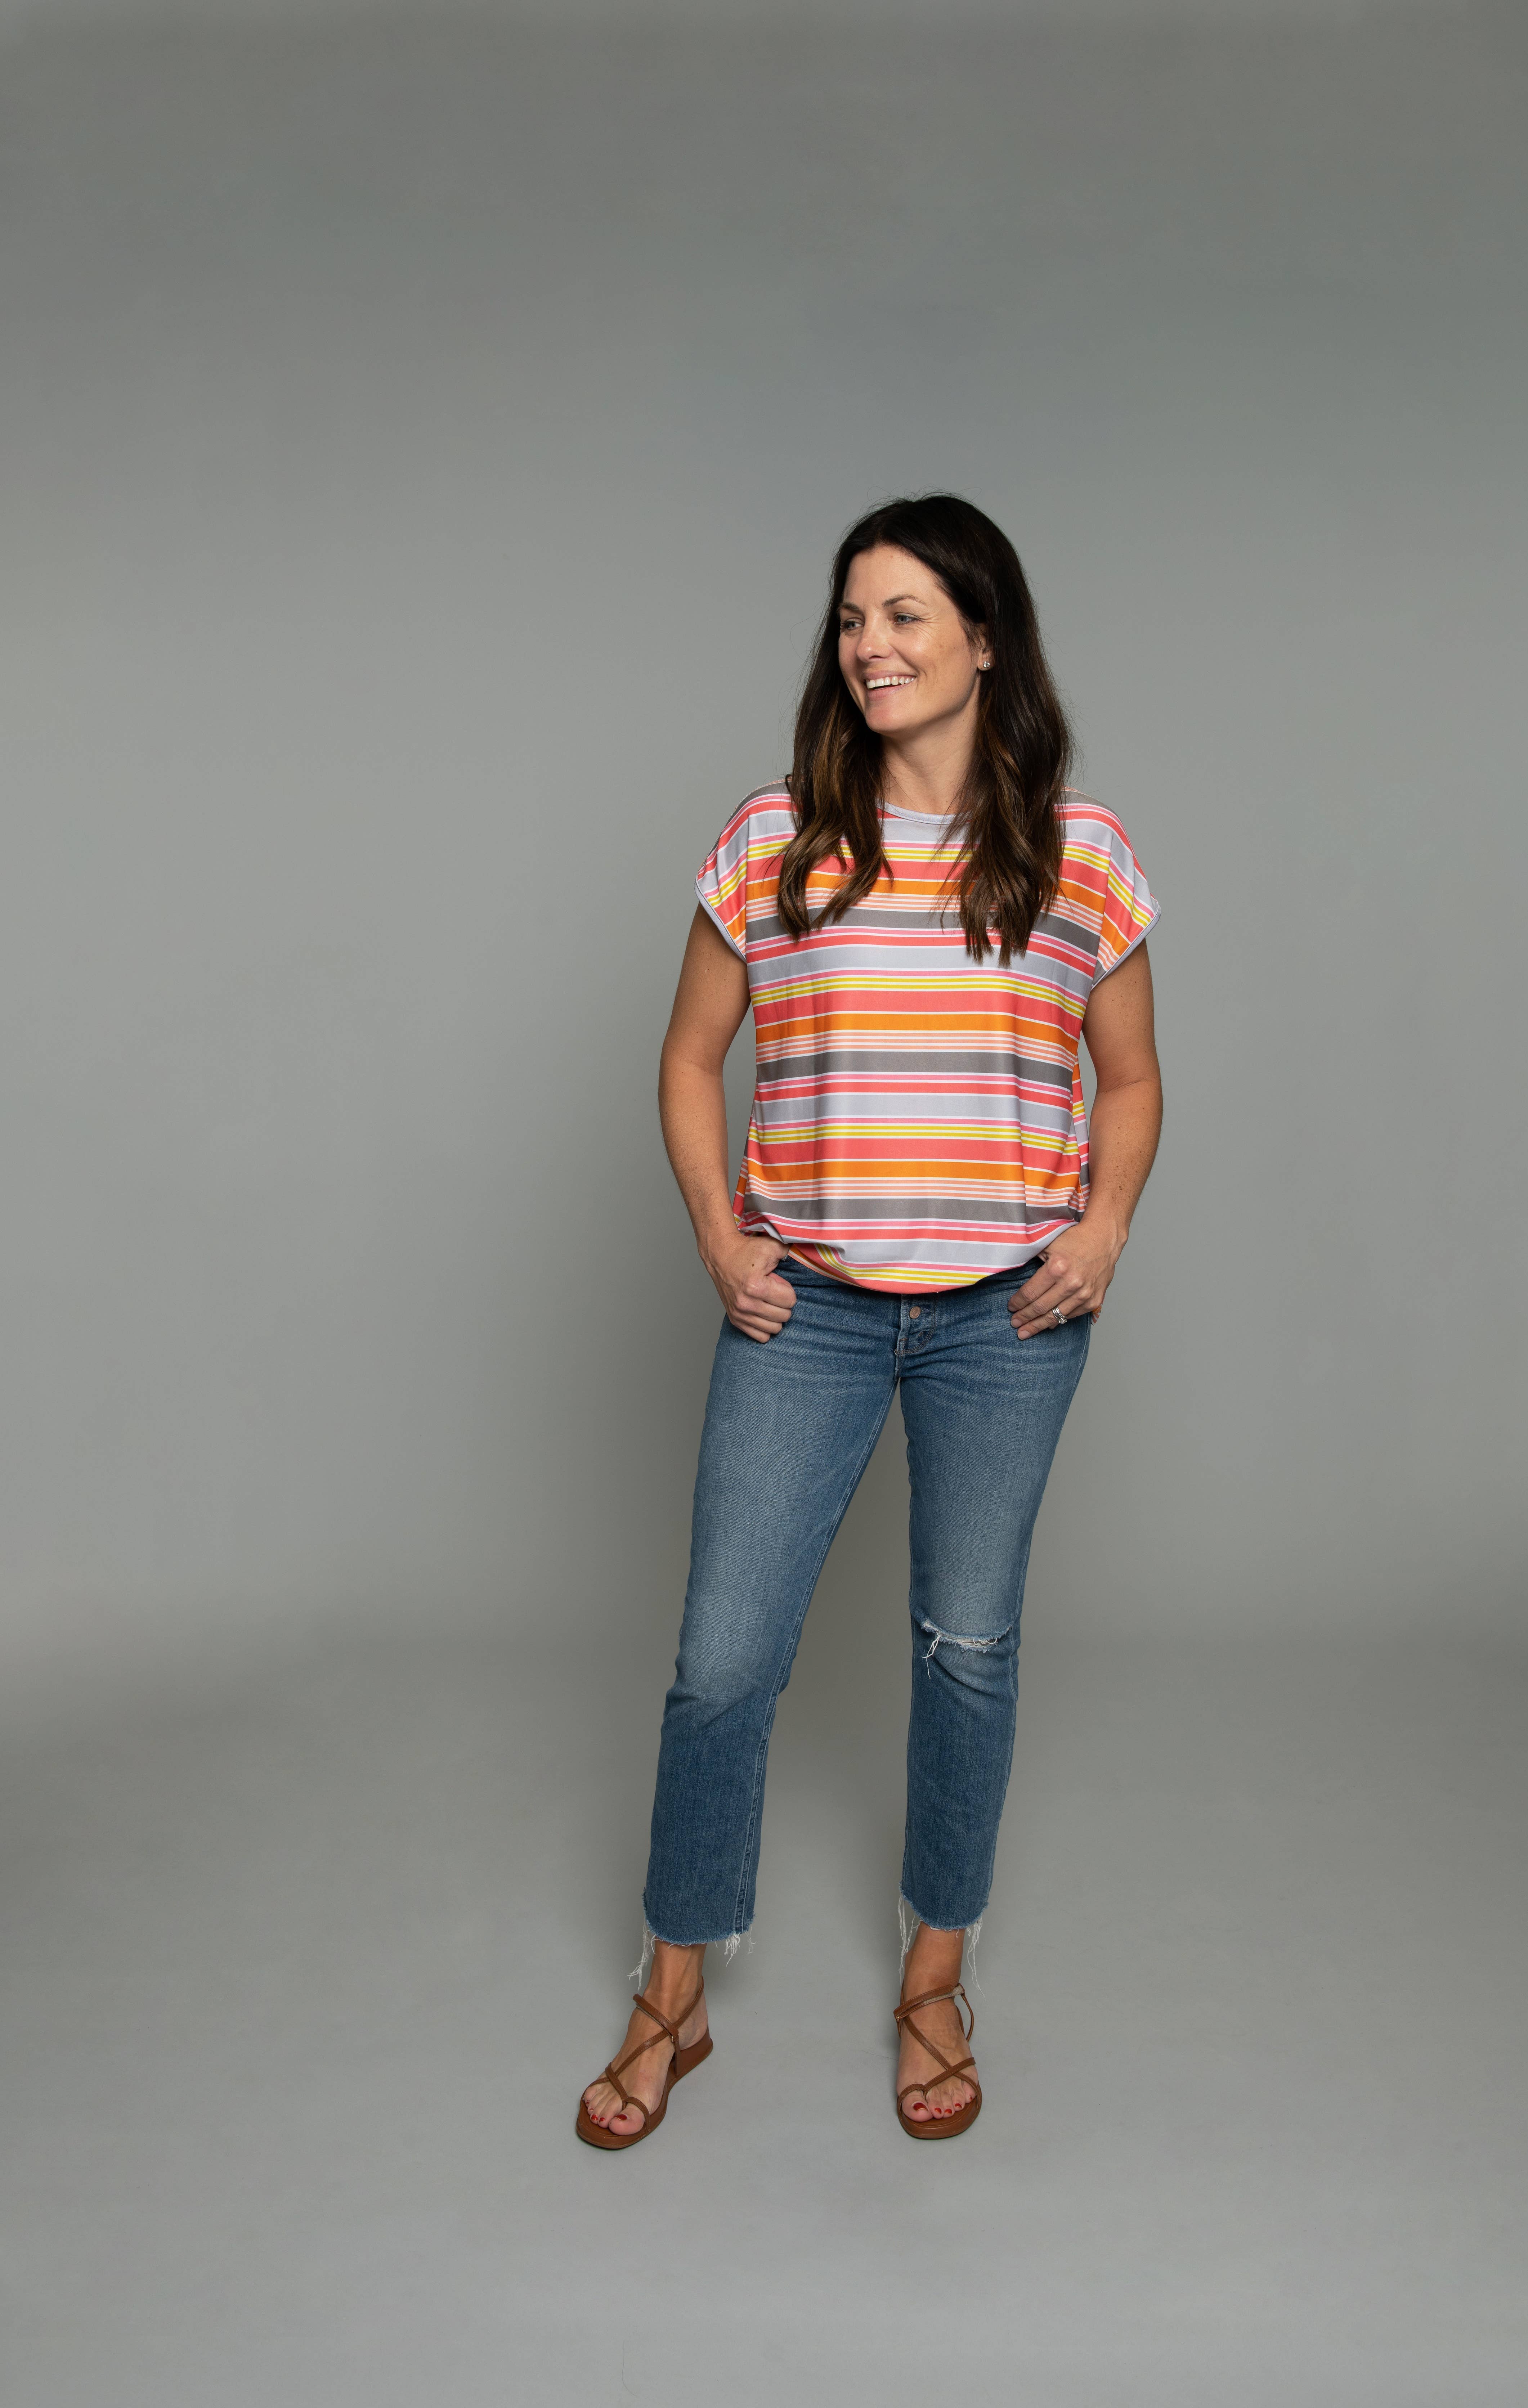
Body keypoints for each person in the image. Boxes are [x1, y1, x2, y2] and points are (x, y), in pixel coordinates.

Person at [578, 493, 1162, 2148]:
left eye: (905, 614)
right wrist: (719, 1236)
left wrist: (1102, 1227)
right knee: (721, 1659)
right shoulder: (777, 841)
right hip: (811, 1312)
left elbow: (1129, 1080)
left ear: (983, 639)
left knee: (966, 1646)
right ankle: (673, 1990)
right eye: (851, 618)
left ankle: (931, 1976)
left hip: (1005, 1320)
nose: (869, 646)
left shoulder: (1079, 854)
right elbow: (687, 1057)